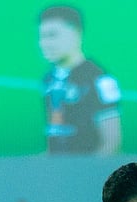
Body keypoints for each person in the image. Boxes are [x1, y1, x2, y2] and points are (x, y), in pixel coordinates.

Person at [39, 5, 122, 155]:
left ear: (76, 33)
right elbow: (54, 136)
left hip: (88, 168)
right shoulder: (49, 79)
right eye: (42, 36)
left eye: (52, 35)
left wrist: (90, 169)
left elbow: (112, 144)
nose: (46, 43)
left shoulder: (100, 80)